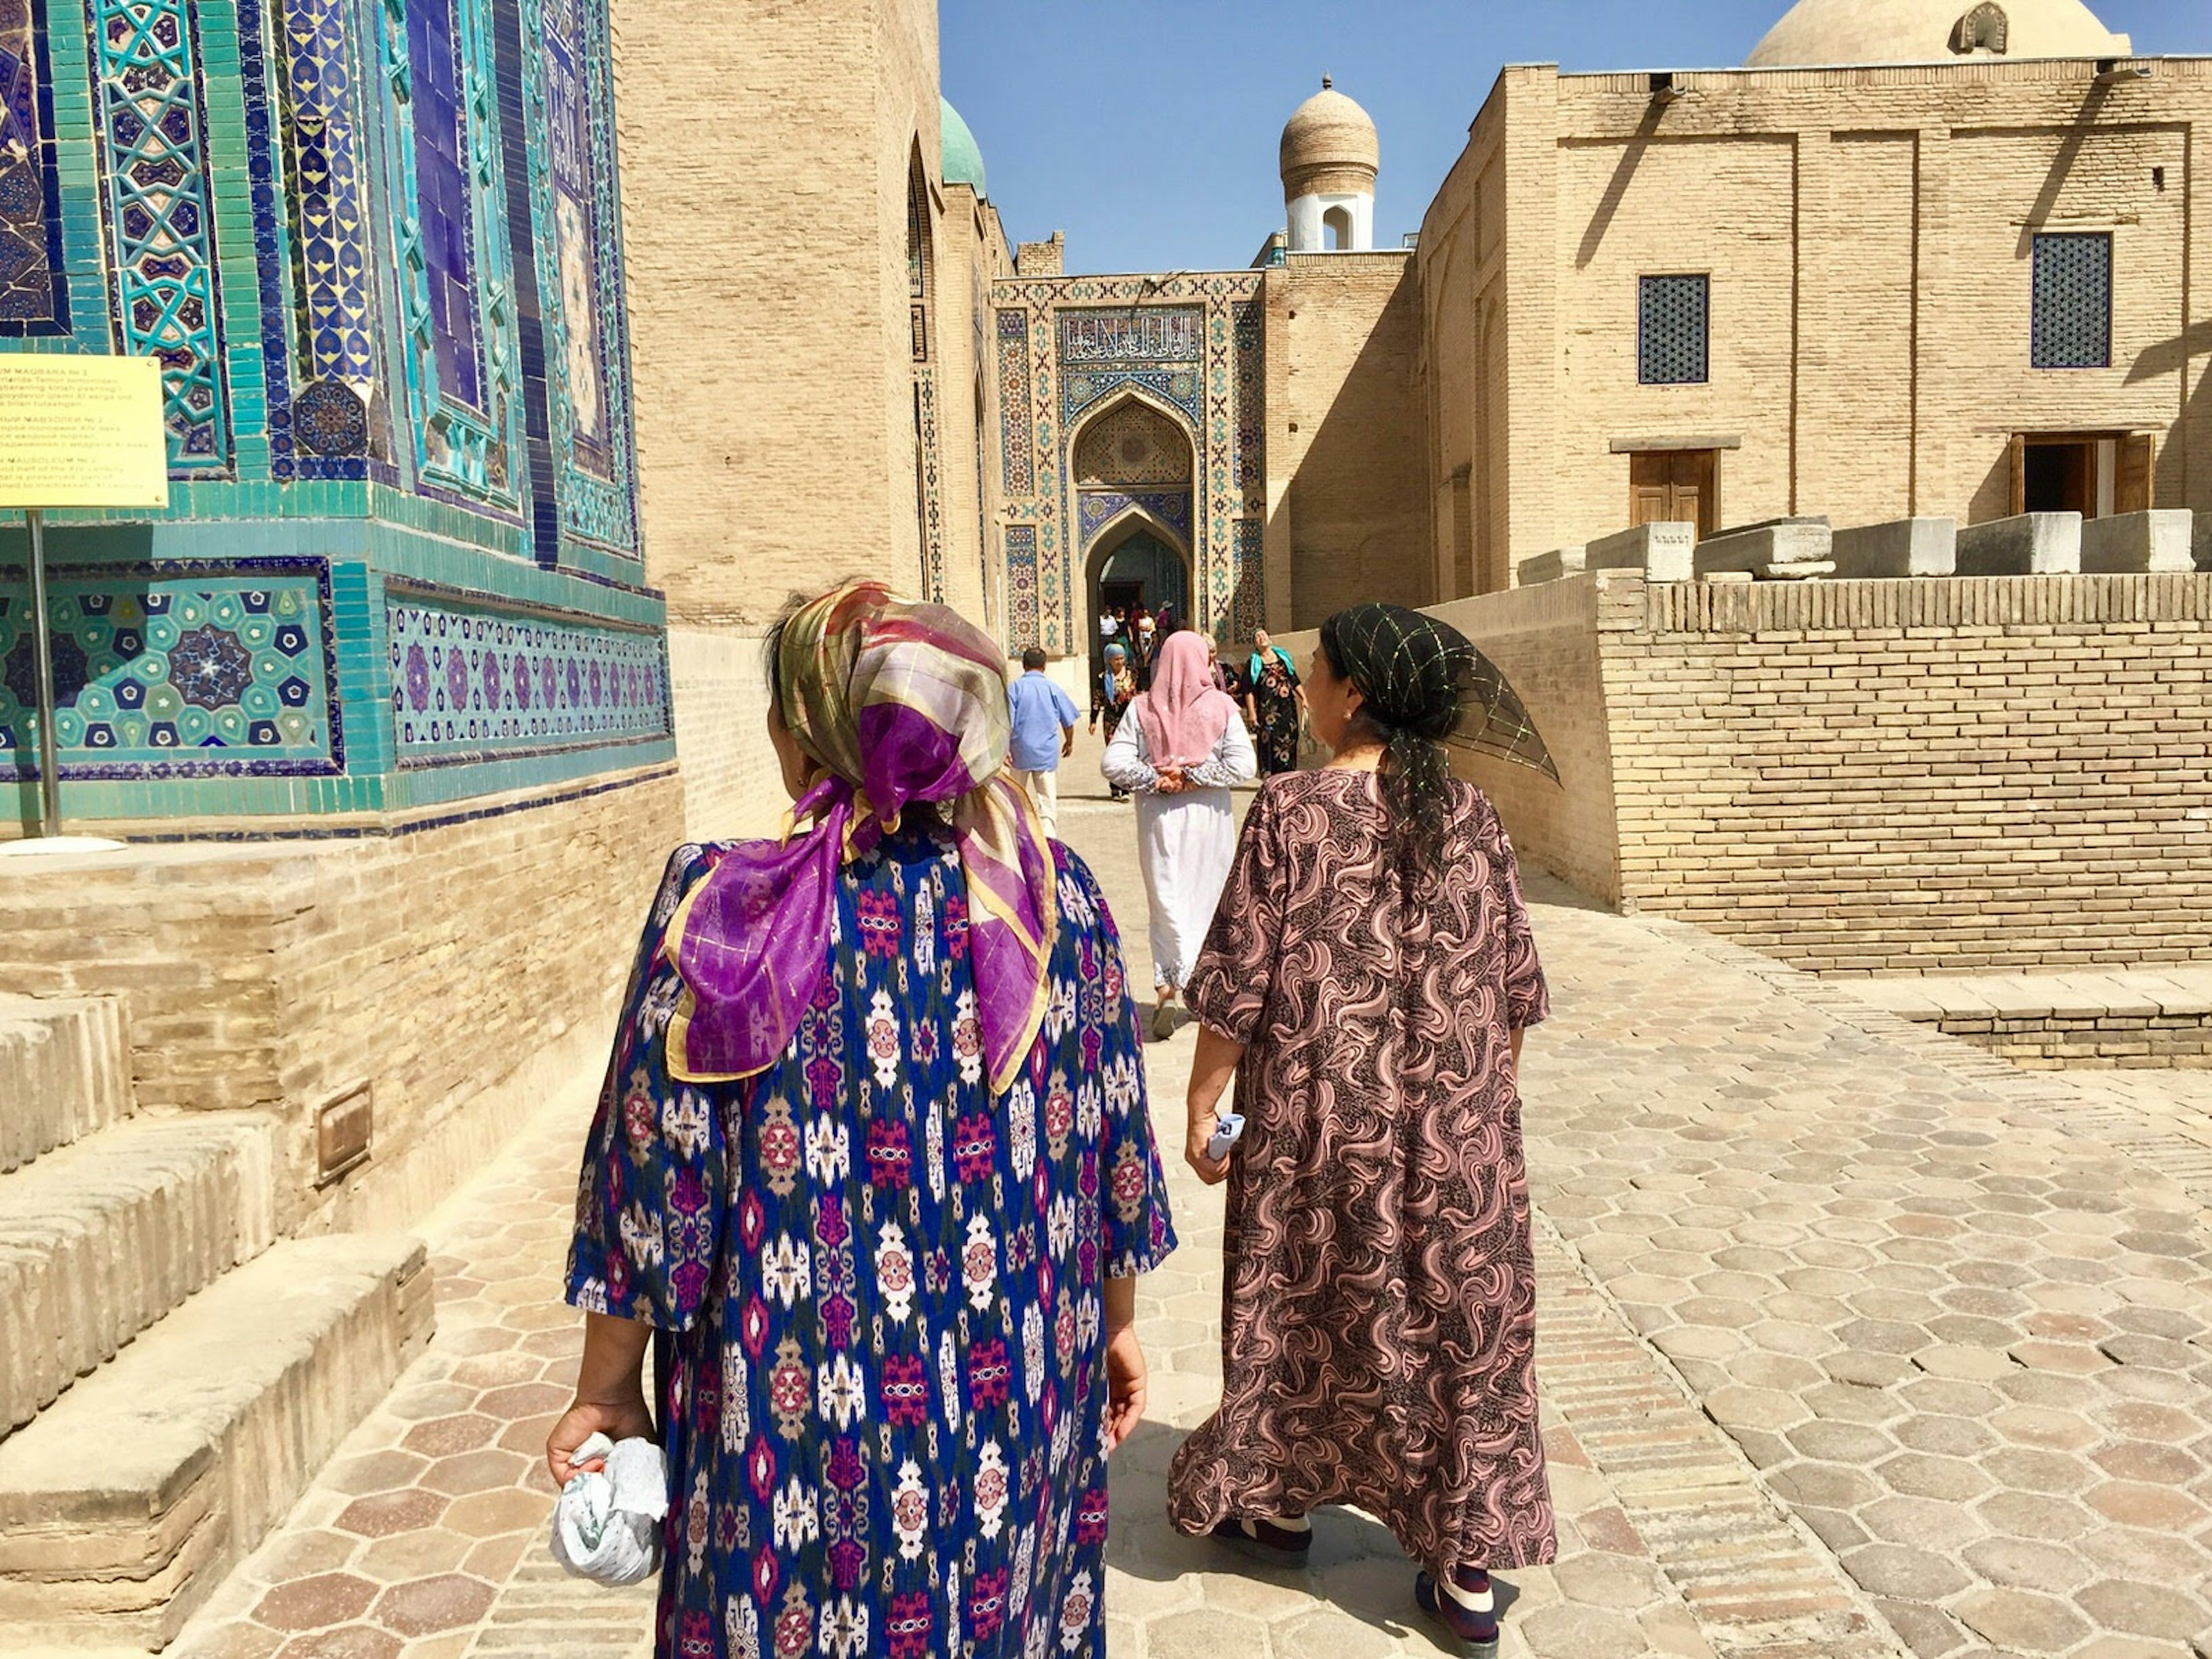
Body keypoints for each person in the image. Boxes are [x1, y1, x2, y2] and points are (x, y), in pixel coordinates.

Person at [552, 581, 1176, 1659]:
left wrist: (608, 1387)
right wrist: (1115, 1320)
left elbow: (653, 1179)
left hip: (788, 1418)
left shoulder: (728, 911)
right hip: (1014, 1388)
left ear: (812, 733)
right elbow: (1112, 1144)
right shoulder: (1053, 900)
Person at [1165, 603, 1554, 1659]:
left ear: (1356, 696)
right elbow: (1514, 994)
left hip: (1312, 1131)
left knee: (1306, 1304)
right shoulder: (1473, 815)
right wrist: (1472, 1118)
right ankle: (1463, 1569)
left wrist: (1209, 1113)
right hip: (1459, 1140)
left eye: (1319, 674)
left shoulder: (1293, 812)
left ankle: (1282, 1507)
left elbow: (1239, 988)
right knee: (1450, 1327)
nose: (1306, 691)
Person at [1100, 630, 1257, 1041]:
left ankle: (1167, 986)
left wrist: (1156, 777)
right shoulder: (1221, 707)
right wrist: (1194, 776)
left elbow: (1113, 764)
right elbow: (1244, 766)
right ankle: (1205, 990)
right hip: (1207, 818)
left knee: (1165, 899)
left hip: (1158, 819)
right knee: (1207, 898)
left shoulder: (1142, 708)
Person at [1007, 645, 1080, 838]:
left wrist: (1005, 748)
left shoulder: (1015, 688)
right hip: (1045, 753)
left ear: (1024, 665)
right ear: (1044, 666)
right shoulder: (1053, 689)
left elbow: (1008, 723)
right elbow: (1068, 721)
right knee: (1047, 799)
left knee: (1016, 795)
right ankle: (1049, 838)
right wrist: (1069, 742)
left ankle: (1018, 833)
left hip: (1019, 752)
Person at [1244, 630, 1306, 777]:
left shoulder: (1283, 658)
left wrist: (1304, 698)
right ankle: (1270, 778)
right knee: (1269, 745)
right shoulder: (1253, 663)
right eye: (1257, 637)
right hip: (1267, 714)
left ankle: (1288, 776)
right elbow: (1249, 690)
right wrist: (1252, 713)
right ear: (1255, 644)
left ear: (1270, 639)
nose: (1261, 638)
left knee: (1288, 742)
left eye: (1264, 635)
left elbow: (1294, 680)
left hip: (1287, 711)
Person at [1091, 641, 1137, 800]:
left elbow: (1137, 696)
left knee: (1128, 752)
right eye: (1116, 659)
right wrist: (1093, 721)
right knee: (1114, 752)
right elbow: (1097, 699)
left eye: (1121, 658)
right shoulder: (1104, 678)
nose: (1119, 662)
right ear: (1109, 660)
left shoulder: (1132, 675)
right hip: (1111, 721)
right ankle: (1115, 787)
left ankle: (1126, 788)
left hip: (1128, 720)